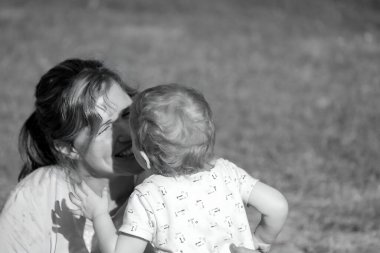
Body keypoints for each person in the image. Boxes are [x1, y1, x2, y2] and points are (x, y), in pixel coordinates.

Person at [72, 84, 289, 253]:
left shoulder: (149, 196)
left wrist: (100, 214)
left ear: (145, 158)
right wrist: (262, 238)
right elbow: (277, 206)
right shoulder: (228, 173)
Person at [0, 58, 147, 253]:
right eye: (104, 128)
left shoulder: (169, 187)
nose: (129, 133)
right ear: (68, 148)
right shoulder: (36, 199)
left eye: (127, 114)